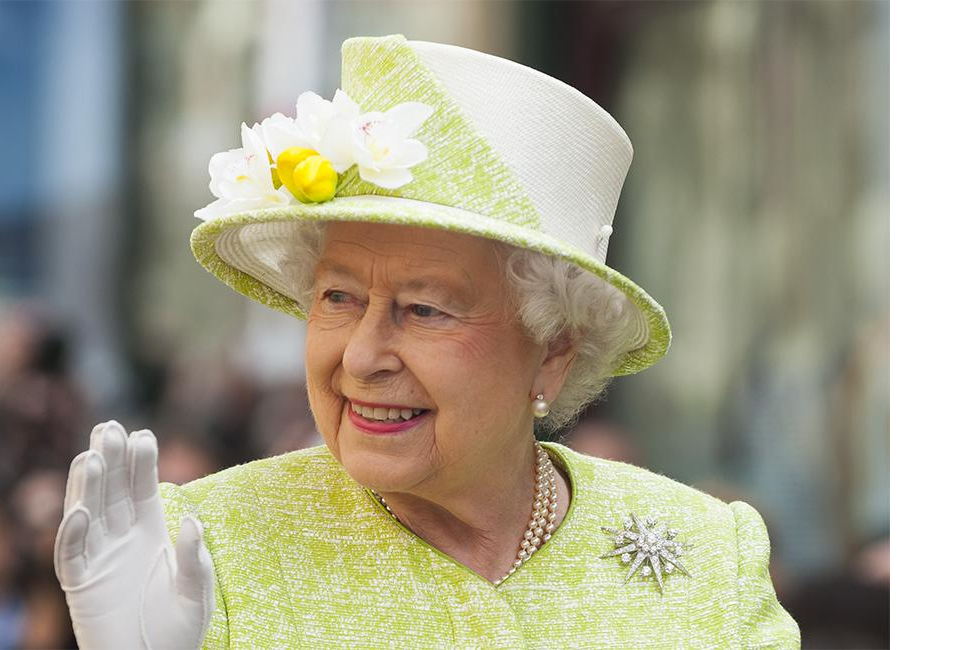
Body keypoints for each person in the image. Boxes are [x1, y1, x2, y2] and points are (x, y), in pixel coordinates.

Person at [55, 33, 801, 648]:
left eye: (423, 310)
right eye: (339, 298)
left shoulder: (708, 555)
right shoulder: (197, 550)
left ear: (554, 350)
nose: (360, 358)